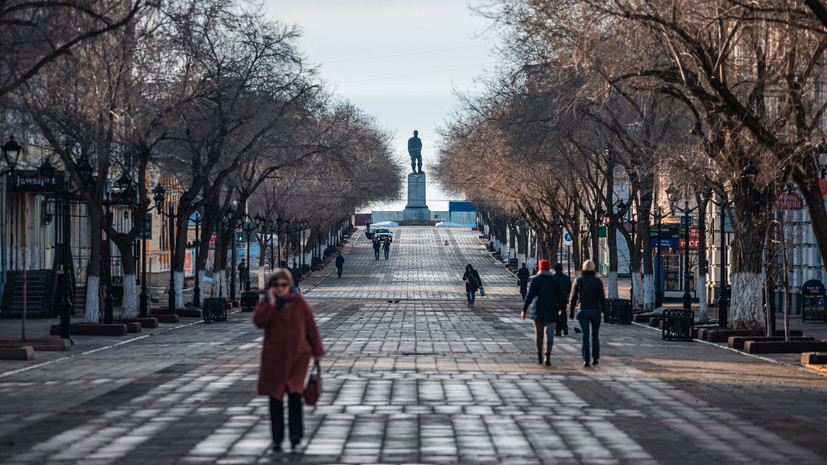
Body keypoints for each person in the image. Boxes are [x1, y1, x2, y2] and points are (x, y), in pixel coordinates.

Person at [253, 269, 324, 452]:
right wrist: (271, 302)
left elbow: (311, 328)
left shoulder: (299, 302)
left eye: (283, 285)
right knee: (275, 399)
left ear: (289, 285)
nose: (280, 288)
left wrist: (317, 353)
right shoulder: (267, 303)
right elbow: (259, 322)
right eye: (276, 285)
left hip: (297, 359)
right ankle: (277, 438)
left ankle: (295, 434)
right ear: (271, 287)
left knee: (295, 396)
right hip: (274, 360)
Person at [521, 260, 566, 366]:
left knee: (539, 335)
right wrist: (561, 309)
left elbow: (529, 296)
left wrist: (524, 310)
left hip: (538, 310)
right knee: (550, 335)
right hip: (552, 311)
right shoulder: (554, 281)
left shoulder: (535, 280)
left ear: (540, 268)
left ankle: (539, 355)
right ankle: (547, 356)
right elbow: (560, 297)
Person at [568, 260, 607, 367]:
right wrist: (605, 312)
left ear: (583, 269)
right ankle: (595, 358)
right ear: (593, 269)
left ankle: (586, 359)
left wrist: (571, 311)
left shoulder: (579, 280)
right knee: (595, 335)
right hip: (595, 311)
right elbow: (602, 298)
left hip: (583, 310)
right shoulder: (597, 281)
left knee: (585, 335)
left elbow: (573, 298)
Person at [552, 263, 572, 336]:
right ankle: (565, 327)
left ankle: (558, 331)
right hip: (564, 299)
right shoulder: (566, 277)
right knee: (563, 313)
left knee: (557, 314)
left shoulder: (553, 278)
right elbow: (570, 288)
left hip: (556, 300)